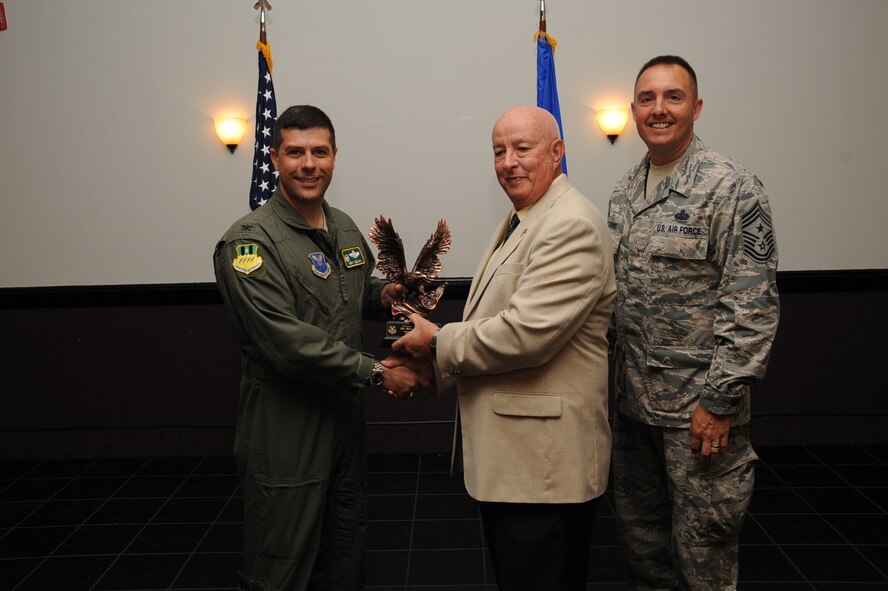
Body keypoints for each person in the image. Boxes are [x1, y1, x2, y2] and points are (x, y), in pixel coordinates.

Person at [390, 105, 615, 590]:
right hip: (523, 464)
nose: (508, 162)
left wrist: (437, 343)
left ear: (557, 153)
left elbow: (527, 335)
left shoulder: (569, 222)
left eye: (522, 148)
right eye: (498, 151)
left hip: (545, 470)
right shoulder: (525, 218)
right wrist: (436, 367)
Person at [213, 105, 427, 591]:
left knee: (346, 548)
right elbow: (286, 342)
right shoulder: (250, 243)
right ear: (274, 158)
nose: (309, 164)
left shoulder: (344, 227)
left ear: (334, 157)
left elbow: (349, 292)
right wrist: (378, 372)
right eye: (295, 153)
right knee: (283, 561)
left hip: (344, 419)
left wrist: (385, 295)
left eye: (319, 152)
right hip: (287, 423)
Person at [607, 55, 780, 590]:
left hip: (697, 418)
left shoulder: (732, 188)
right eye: (647, 98)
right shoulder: (623, 193)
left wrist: (720, 402)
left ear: (696, 107)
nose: (659, 109)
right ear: (634, 110)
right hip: (634, 412)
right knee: (644, 553)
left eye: (673, 97)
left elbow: (751, 307)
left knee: (703, 558)